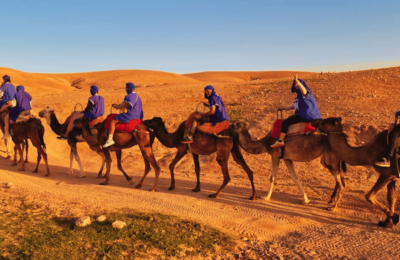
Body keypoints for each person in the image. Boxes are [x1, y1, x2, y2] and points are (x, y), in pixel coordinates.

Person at [271, 75, 321, 148]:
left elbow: (304, 91)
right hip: (313, 115)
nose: (295, 85)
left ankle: (280, 141)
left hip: (306, 115)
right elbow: (295, 106)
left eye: (296, 84)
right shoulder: (299, 96)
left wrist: (298, 83)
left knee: (285, 122)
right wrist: (284, 108)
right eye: (295, 84)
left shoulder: (306, 92)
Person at [103, 82, 143, 148]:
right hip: (138, 116)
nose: (126, 89)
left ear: (132, 88)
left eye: (127, 87)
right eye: (126, 87)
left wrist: (115, 106)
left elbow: (122, 105)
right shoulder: (137, 96)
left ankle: (110, 140)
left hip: (131, 115)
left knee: (113, 120)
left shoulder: (130, 96)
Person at [0, 75, 16, 139]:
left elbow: (0, 94)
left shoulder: (3, 86)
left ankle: (5, 131)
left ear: (4, 80)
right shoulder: (13, 86)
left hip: (5, 102)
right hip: (14, 102)